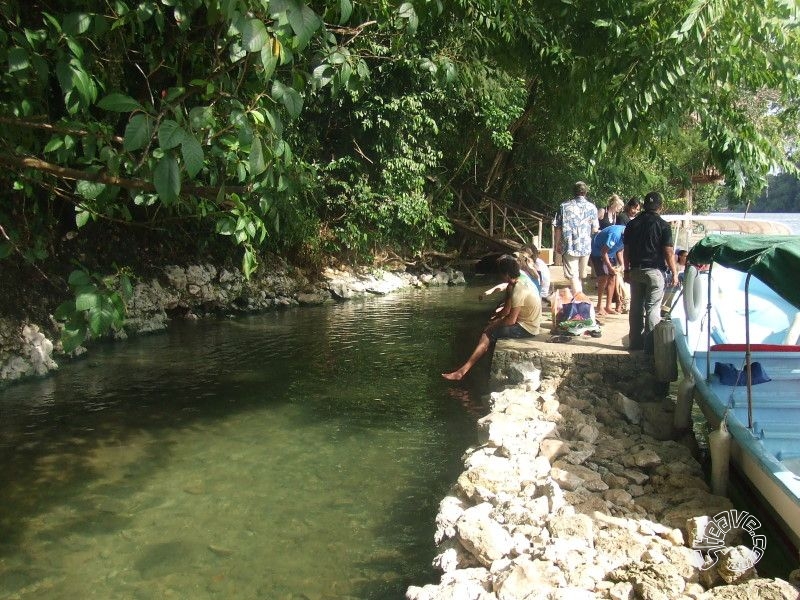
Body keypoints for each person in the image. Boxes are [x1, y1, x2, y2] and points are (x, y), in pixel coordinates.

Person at [443, 255, 541, 380]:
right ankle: (474, 366)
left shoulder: (518, 290)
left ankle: (462, 372)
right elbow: (507, 310)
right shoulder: (518, 281)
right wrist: (497, 317)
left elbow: (511, 320)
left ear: (505, 274)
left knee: (488, 334)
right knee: (489, 329)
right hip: (529, 323)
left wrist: (494, 324)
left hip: (527, 328)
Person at [622, 191, 678, 353]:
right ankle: (651, 348)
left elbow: (626, 250)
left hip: (635, 270)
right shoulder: (663, 225)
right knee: (653, 309)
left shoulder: (632, 224)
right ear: (661, 207)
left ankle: (635, 344)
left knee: (636, 307)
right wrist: (674, 272)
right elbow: (668, 252)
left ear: (644, 206)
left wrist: (626, 270)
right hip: (655, 272)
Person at [553, 181, 599, 295]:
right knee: (580, 276)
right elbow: (595, 229)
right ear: (586, 192)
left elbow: (557, 227)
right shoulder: (592, 207)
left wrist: (557, 243)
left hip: (569, 245)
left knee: (573, 275)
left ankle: (579, 300)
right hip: (585, 246)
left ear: (573, 192)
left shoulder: (564, 206)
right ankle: (579, 300)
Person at [590, 224, 625, 315]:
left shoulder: (629, 235)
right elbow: (603, 251)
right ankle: (599, 306)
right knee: (603, 278)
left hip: (610, 253)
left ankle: (608, 306)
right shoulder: (615, 235)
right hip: (598, 252)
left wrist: (622, 264)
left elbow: (620, 250)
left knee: (612, 278)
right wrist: (609, 267)